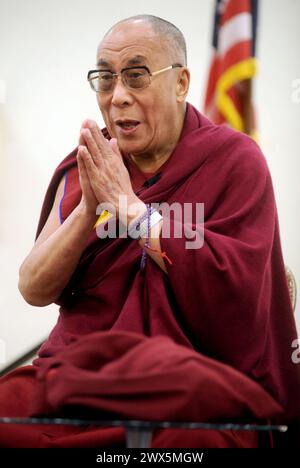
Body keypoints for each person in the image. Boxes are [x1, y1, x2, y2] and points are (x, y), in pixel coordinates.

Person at [0, 14, 299, 448]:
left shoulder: (234, 160)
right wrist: (90, 207)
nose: (118, 96)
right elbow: (33, 286)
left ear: (180, 83)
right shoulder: (90, 163)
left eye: (136, 77)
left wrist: (131, 210)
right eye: (105, 79)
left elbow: (238, 300)